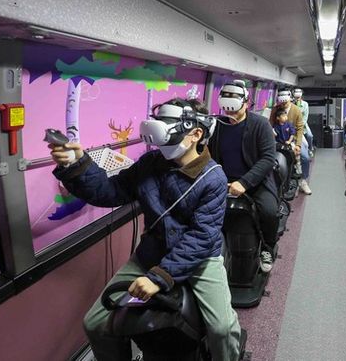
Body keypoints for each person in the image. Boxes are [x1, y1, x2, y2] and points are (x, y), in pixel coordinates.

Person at [48, 98, 241, 361]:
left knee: (222, 329)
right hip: (152, 252)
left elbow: (202, 236)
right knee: (95, 323)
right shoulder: (150, 163)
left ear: (196, 134)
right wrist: (77, 165)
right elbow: (110, 191)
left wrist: (159, 277)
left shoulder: (214, 178)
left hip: (200, 258)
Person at [208, 80, 280, 273]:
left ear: (246, 103)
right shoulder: (216, 125)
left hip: (255, 181)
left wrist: (244, 182)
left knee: (269, 212)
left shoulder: (260, 124)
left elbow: (268, 158)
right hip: (222, 182)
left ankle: (268, 247)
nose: (229, 113)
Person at [270, 88, 312, 195]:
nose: (283, 105)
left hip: (294, 137)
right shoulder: (276, 109)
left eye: (285, 102)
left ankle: (303, 181)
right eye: (282, 103)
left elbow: (300, 128)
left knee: (305, 157)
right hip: (279, 139)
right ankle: (278, 183)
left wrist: (298, 145)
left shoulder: (296, 110)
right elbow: (270, 125)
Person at [293, 87, 314, 155]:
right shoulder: (292, 104)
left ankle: (310, 149)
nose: (297, 98)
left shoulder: (305, 104)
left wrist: (301, 125)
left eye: (298, 97)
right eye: (296, 97)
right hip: (294, 125)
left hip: (303, 124)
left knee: (310, 136)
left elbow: (305, 117)